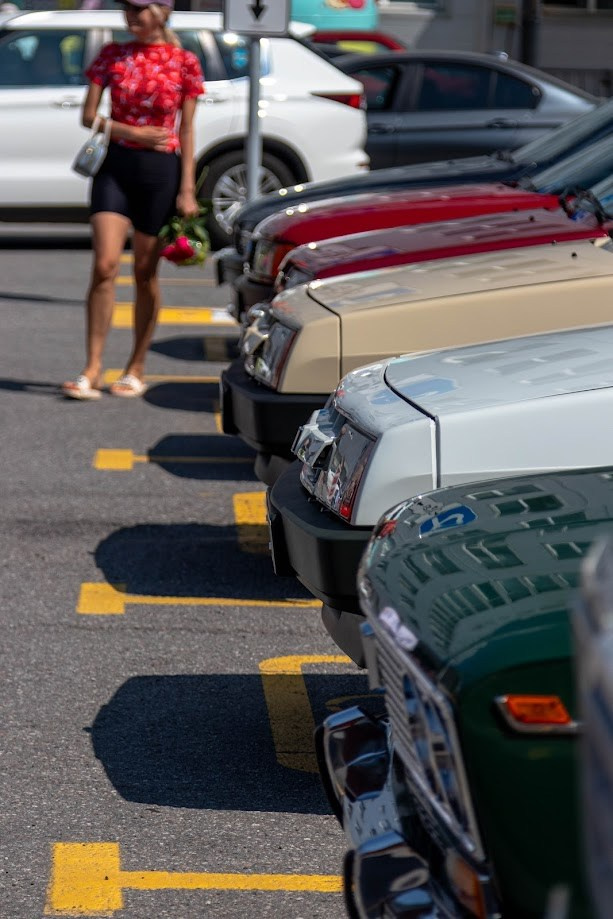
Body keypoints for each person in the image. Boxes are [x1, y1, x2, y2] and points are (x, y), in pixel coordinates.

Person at [62, 0, 204, 400]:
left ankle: (135, 367)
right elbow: (89, 116)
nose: (132, 16)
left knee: (145, 274)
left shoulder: (184, 61)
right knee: (104, 265)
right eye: (127, 8)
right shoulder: (111, 54)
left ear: (161, 12)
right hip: (116, 166)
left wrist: (188, 189)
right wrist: (132, 132)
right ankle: (92, 367)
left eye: (140, 9)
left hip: (162, 173)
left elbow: (189, 129)